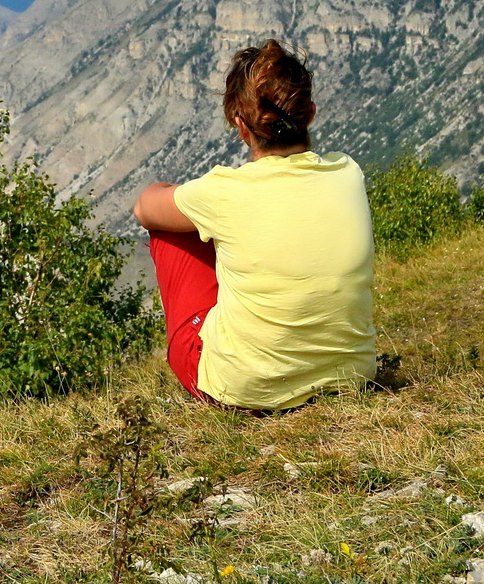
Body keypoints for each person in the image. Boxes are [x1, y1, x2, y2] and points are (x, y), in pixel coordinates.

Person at [133, 39, 376, 410]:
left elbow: (144, 209)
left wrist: (175, 194)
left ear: (240, 125)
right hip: (351, 378)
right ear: (310, 113)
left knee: (171, 228)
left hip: (245, 390)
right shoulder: (348, 172)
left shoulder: (225, 192)